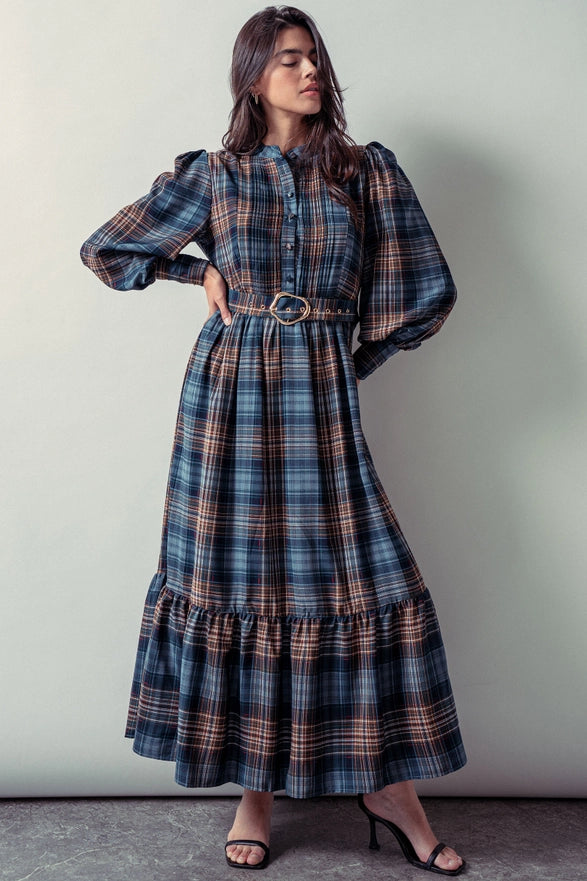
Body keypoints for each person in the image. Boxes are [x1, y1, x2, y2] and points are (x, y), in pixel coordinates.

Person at [80, 5, 467, 875]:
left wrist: (344, 360)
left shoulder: (364, 173)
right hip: (225, 397)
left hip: (319, 399)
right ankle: (252, 791)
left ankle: (389, 786)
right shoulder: (213, 175)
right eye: (288, 59)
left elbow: (424, 293)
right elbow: (106, 249)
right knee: (235, 575)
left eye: (314, 58)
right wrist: (195, 267)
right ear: (252, 74)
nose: (308, 72)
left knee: (363, 573)